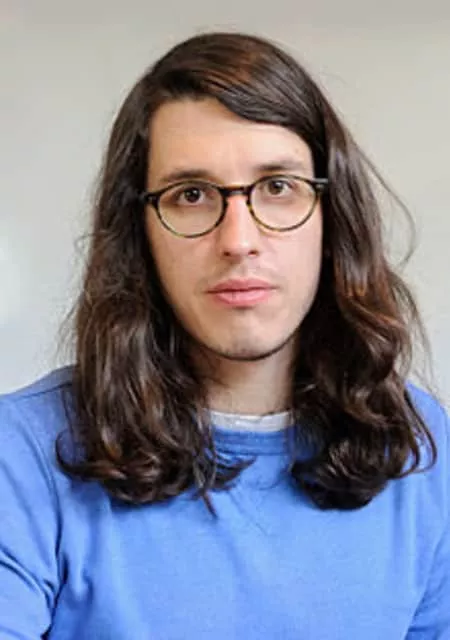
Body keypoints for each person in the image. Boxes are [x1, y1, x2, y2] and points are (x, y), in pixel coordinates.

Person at [0, 31, 448, 640]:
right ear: (139, 234)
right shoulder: (21, 454)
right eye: (191, 195)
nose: (238, 240)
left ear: (332, 217)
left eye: (278, 187)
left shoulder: (424, 453)